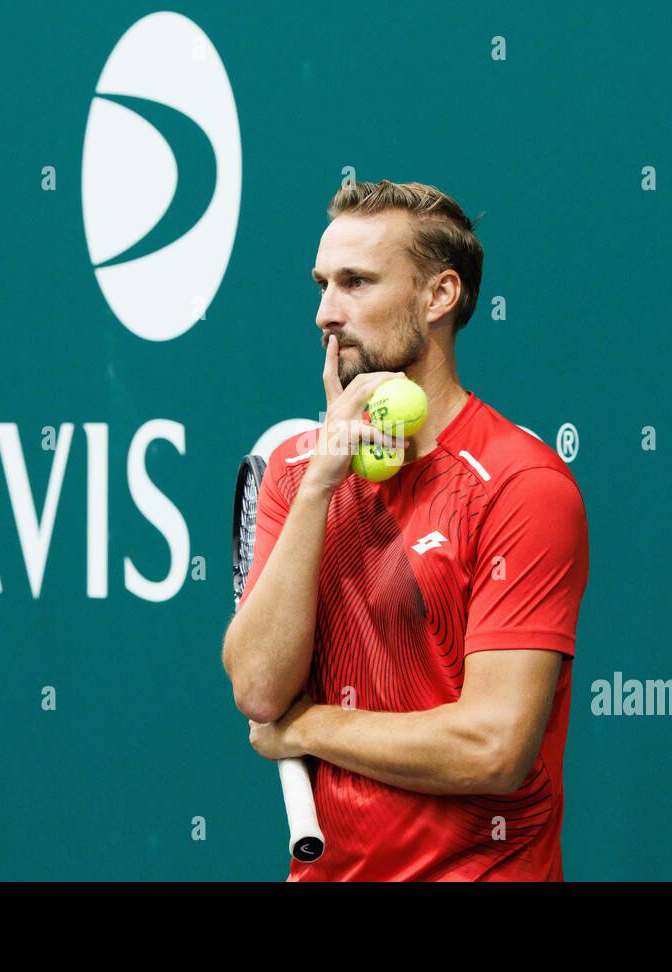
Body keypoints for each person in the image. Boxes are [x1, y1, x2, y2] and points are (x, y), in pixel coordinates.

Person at [222, 180, 590, 880]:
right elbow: (260, 692)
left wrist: (306, 729)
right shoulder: (299, 472)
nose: (327, 313)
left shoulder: (522, 486)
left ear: (438, 297)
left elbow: (493, 748)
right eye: (322, 284)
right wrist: (321, 485)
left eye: (357, 283)